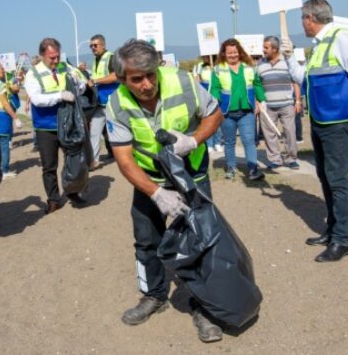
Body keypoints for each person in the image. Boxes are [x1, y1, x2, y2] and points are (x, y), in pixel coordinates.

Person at [105, 39, 224, 343]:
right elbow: (124, 158)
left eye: (150, 75)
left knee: (202, 240)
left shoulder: (183, 81)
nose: (147, 84)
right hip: (149, 179)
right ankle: (153, 296)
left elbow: (214, 115)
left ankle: (204, 306)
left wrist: (193, 141)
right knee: (147, 241)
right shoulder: (117, 104)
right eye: (136, 79)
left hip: (191, 174)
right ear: (122, 79)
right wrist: (156, 193)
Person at [295, 0, 348, 262]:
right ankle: (332, 229)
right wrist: (287, 58)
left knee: (337, 178)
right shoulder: (318, 46)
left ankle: (342, 240)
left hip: (338, 120)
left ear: (310, 18)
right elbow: (303, 79)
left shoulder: (342, 38)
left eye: (302, 19)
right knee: (325, 175)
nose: (302, 24)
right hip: (321, 120)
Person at [25, 38, 86, 214]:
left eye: (58, 56)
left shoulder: (65, 67)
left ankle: (72, 191)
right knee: (49, 166)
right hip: (46, 127)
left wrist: (78, 83)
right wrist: (60, 95)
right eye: (52, 57)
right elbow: (36, 99)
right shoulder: (33, 74)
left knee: (73, 161)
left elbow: (80, 89)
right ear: (42, 55)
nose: (56, 61)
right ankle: (53, 199)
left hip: (68, 124)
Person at [210, 39, 267, 180]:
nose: (233, 55)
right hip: (226, 113)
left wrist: (262, 100)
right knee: (229, 142)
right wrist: (215, 99)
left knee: (249, 141)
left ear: (239, 52)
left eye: (235, 52)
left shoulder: (249, 67)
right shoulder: (218, 69)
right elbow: (215, 88)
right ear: (224, 54)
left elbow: (257, 84)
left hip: (247, 112)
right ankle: (231, 167)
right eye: (229, 53)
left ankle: (253, 169)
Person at [257, 36, 303, 170]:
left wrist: (298, 101)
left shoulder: (287, 62)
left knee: (290, 132)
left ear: (275, 49)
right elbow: (257, 84)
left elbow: (295, 82)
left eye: (266, 47)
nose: (263, 50)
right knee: (269, 134)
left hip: (287, 105)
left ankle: (291, 159)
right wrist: (258, 103)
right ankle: (275, 160)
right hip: (267, 107)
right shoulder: (260, 64)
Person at [87, 34, 117, 168]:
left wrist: (96, 81)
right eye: (91, 46)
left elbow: (115, 76)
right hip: (100, 103)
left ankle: (131, 156)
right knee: (94, 131)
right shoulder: (95, 60)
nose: (93, 48)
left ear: (103, 45)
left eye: (95, 45)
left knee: (118, 132)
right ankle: (94, 161)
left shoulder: (111, 57)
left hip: (113, 103)